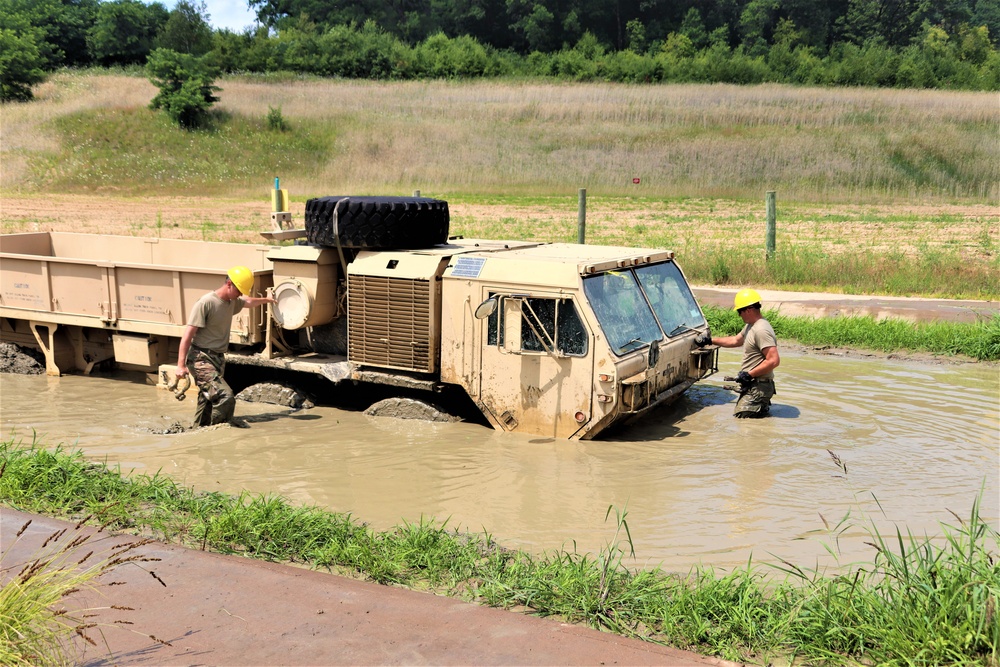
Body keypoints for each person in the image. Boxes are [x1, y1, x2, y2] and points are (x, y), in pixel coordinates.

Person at [175, 266, 276, 427]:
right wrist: (180, 365)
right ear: (229, 284)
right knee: (225, 396)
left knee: (208, 399)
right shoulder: (206, 303)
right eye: (239, 290)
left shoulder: (231, 302)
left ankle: (198, 429)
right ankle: (220, 430)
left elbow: (248, 302)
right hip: (201, 358)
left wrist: (267, 300)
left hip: (217, 358)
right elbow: (187, 335)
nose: (240, 294)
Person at [694, 288, 779, 418]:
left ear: (749, 310)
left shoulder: (761, 330)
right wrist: (710, 340)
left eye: (740, 311)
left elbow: (773, 360)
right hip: (754, 385)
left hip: (759, 386)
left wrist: (749, 374)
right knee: (751, 417)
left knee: (742, 419)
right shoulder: (751, 325)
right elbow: (735, 340)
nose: (739, 315)